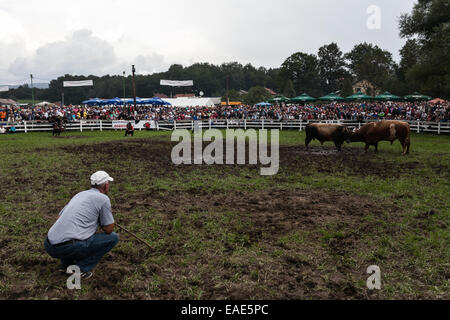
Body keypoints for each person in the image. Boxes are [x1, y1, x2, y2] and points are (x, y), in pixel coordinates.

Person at [44, 171, 119, 279]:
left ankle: (66, 266)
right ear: (106, 185)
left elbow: (59, 218)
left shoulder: (80, 194)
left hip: (49, 245)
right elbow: (108, 229)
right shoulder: (103, 199)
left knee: (72, 234)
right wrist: (101, 221)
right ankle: (80, 269)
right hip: (68, 247)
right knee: (113, 238)